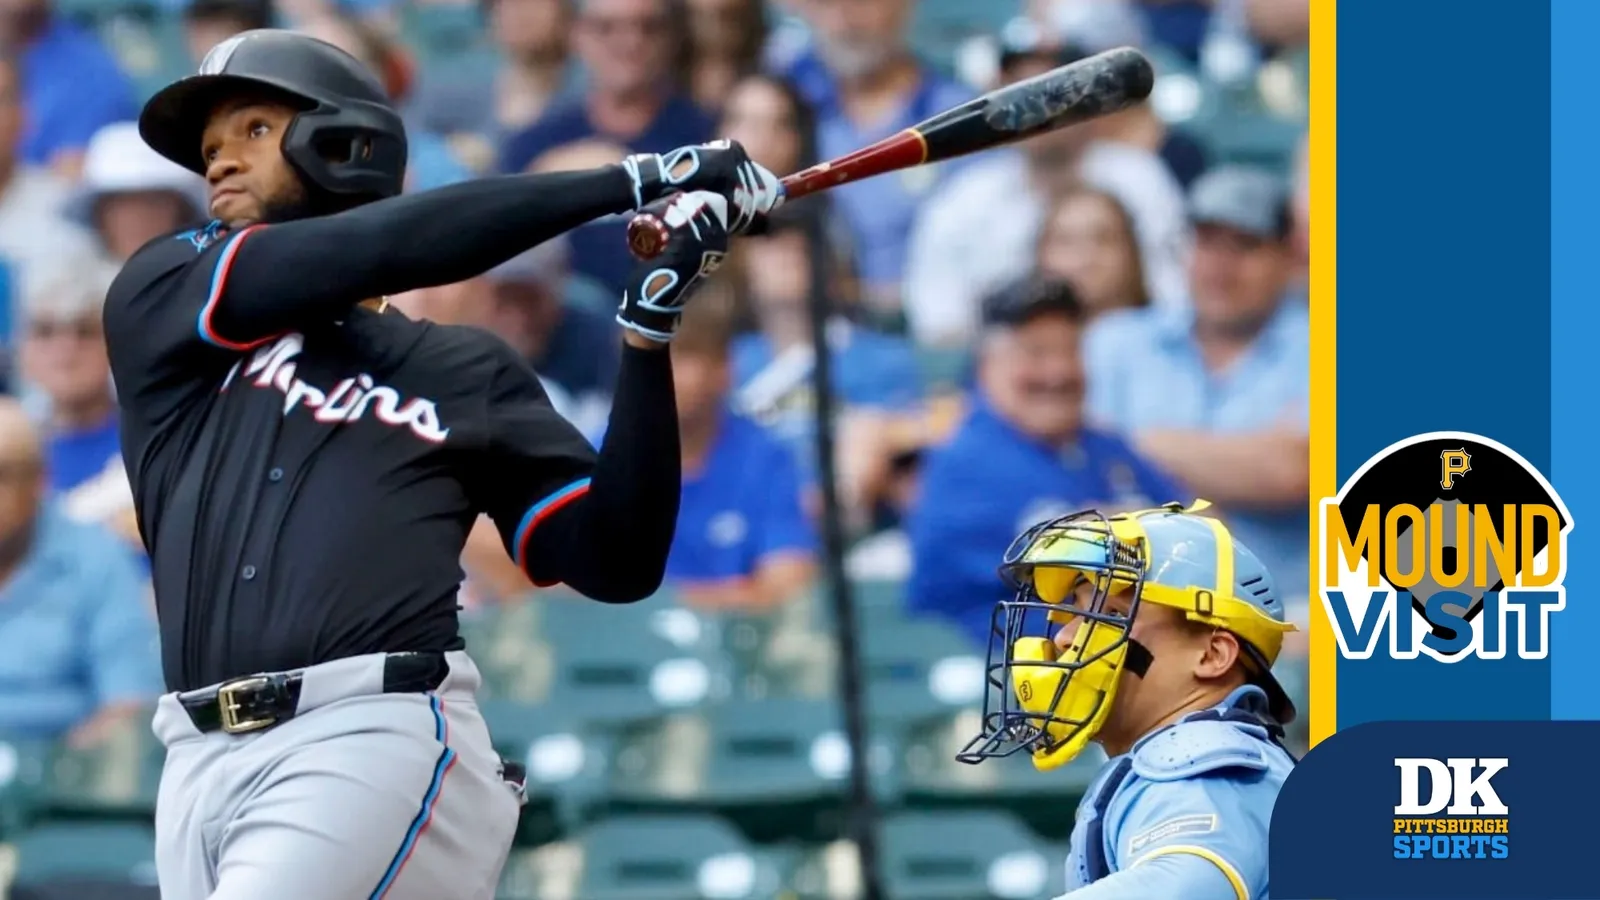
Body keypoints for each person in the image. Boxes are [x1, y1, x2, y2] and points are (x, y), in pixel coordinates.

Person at [105, 29, 778, 900]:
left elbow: (615, 560)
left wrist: (644, 345)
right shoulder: (167, 294)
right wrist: (633, 181)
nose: (220, 164)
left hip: (367, 733)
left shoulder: (464, 372)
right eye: (208, 150)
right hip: (195, 757)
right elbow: (381, 248)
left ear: (345, 147)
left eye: (254, 130)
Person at [956, 501, 1297, 899]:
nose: (1065, 639)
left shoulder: (1211, 767)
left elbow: (1188, 888)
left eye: (1113, 613)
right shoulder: (1168, 762)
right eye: (1074, 614)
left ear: (1212, 655)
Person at [905, 278, 1183, 649]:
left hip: (1121, 665)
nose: (1059, 372)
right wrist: (1138, 525)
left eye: (1071, 351)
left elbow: (1205, 530)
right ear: (988, 365)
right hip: (999, 680)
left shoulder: (1104, 446)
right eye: (1035, 354)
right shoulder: (965, 458)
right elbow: (1071, 556)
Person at [1084, 165, 1308, 599]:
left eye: (1245, 246)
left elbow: (1292, 472)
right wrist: (1232, 469)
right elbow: (1083, 475)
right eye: (1207, 243)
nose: (1220, 268)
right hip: (1138, 612)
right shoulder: (1117, 341)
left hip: (1288, 620)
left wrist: (1133, 445)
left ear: (1288, 256)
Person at [901, 22, 1189, 347]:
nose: (1035, 108)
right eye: (1019, 91)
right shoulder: (966, 198)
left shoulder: (1139, 178)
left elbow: (1176, 302)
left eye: (1054, 90)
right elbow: (938, 327)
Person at [499, 0, 714, 296]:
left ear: (671, 38)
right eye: (606, 28)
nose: (630, 42)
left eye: (649, 28)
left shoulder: (708, 138)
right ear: (576, 35)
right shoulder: (533, 144)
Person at [0, 398, 162, 745]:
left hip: (54, 781)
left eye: (2, 474)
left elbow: (128, 704)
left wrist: (59, 770)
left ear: (39, 480)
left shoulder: (98, 557)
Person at [16, 260, 141, 542]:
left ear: (115, 344)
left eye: (84, 331)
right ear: (24, 350)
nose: (65, 348)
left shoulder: (153, 440)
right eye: (46, 331)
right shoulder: (9, 445)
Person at [65, 121, 209, 263]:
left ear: (182, 211)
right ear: (99, 214)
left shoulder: (212, 279)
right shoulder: (68, 284)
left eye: (154, 202)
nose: (138, 218)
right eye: (121, 203)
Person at [1035, 186, 1149, 320]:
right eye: (1067, 241)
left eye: (1103, 239)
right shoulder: (1012, 336)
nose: (1086, 256)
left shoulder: (1171, 334)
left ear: (1131, 252)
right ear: (1041, 252)